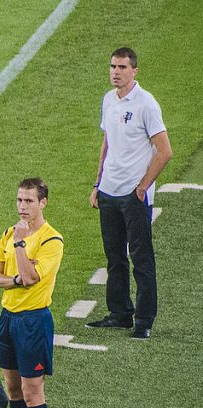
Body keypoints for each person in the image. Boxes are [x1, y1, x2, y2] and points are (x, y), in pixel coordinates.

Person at [86, 47, 172, 340]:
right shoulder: (108, 100)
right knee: (114, 257)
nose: (116, 72)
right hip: (109, 191)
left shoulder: (146, 104)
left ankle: (144, 320)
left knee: (141, 258)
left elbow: (165, 151)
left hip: (134, 196)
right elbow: (107, 142)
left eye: (122, 67)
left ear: (134, 70)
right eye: (112, 66)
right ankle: (120, 313)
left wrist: (143, 186)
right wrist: (98, 184)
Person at [0, 178, 64, 408]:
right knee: (13, 388)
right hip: (8, 318)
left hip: (34, 321)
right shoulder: (8, 232)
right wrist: (17, 279)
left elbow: (32, 277)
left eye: (29, 201)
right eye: (19, 200)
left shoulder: (51, 241)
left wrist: (20, 246)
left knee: (33, 393)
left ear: (43, 203)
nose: (22, 206)